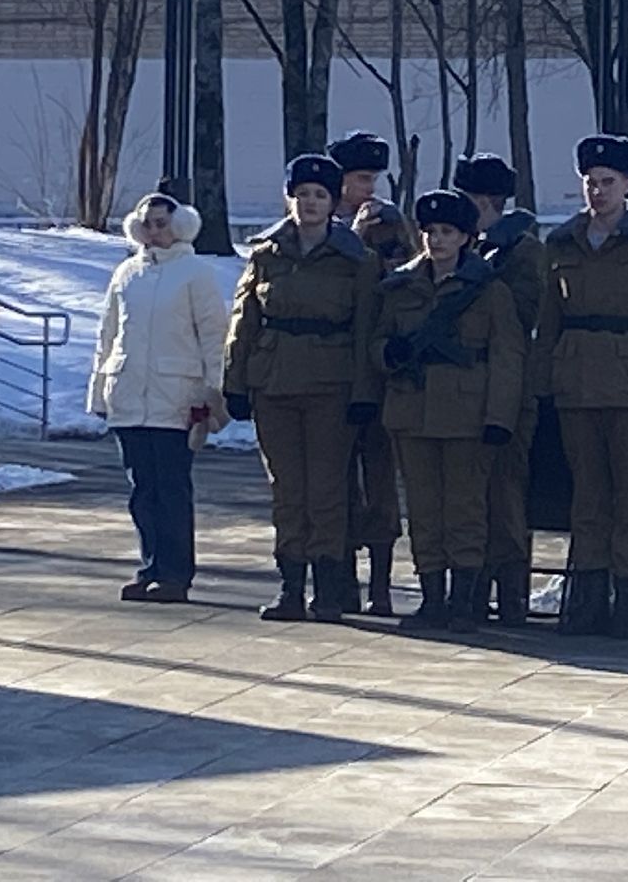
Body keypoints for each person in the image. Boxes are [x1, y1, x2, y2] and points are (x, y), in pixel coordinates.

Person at [533, 134, 628, 639]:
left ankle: (627, 597)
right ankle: (588, 592)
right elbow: (548, 323)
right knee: (588, 496)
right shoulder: (562, 244)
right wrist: (543, 388)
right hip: (576, 384)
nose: (597, 192)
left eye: (607, 182)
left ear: (627, 184)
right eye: (590, 182)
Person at [223, 154, 383, 623]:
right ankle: (290, 584)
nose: (309, 203)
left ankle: (329, 589)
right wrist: (234, 382)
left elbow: (365, 330)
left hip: (331, 385)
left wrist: (363, 393)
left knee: (328, 491)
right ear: (289, 198)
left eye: (319, 195)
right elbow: (243, 321)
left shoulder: (357, 260)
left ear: (334, 203)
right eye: (301, 194)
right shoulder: (265, 254)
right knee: (287, 490)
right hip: (274, 383)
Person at [374, 189, 525, 633]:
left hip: (467, 414)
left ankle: (465, 600)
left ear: (466, 237)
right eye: (429, 231)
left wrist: (499, 418)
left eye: (446, 232)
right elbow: (374, 343)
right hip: (412, 410)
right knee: (423, 510)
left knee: (465, 509)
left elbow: (507, 357)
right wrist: (390, 352)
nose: (436, 240)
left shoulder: (489, 291)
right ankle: (431, 597)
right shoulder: (400, 287)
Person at [89, 186, 229, 604]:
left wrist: (212, 391)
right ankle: (149, 565)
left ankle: (176, 573)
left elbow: (213, 338)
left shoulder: (196, 273)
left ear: (180, 226)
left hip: (176, 398)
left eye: (162, 224)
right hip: (130, 395)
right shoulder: (126, 273)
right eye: (147, 224)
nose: (154, 232)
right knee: (141, 490)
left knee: (172, 489)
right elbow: (108, 335)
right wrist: (99, 393)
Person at [454, 152, 545, 626]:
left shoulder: (522, 251)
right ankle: (471, 589)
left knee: (504, 493)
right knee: (469, 494)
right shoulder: (469, 247)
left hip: (510, 386)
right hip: (466, 388)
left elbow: (527, 313)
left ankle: (511, 595)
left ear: (488, 201)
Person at [329, 131, 416, 616]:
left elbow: (402, 281)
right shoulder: (318, 220)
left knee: (379, 477)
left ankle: (381, 584)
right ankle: (338, 577)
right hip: (331, 368)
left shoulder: (389, 224)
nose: (368, 189)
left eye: (372, 179)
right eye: (360, 178)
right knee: (331, 479)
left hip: (377, 369)